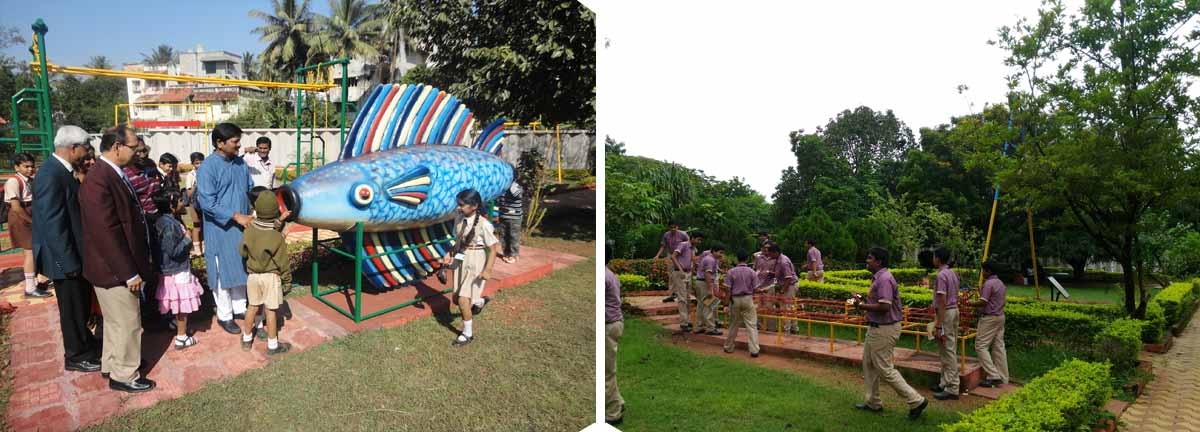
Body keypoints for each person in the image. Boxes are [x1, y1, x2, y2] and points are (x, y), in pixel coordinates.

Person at [80, 125, 155, 393]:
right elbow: (106, 233)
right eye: (133, 146)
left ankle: (113, 363)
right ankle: (125, 374)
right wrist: (128, 273)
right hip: (114, 269)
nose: (137, 151)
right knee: (127, 322)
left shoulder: (110, 173)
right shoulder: (99, 180)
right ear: (116, 147)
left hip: (111, 267)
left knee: (114, 321)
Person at [33, 125, 100, 373]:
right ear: (73, 148)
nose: (87, 153)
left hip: (72, 254)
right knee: (72, 309)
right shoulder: (51, 174)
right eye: (85, 148)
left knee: (80, 305)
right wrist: (68, 262)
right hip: (64, 259)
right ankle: (76, 355)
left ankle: (85, 344)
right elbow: (53, 224)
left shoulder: (62, 171)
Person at [853, 247, 926, 419]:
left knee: (884, 368)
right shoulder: (880, 277)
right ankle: (873, 402)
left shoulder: (884, 279)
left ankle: (916, 400)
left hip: (884, 329)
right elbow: (880, 302)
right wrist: (864, 299)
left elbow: (885, 307)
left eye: (869, 258)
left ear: (878, 261)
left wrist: (861, 306)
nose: (867, 260)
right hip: (877, 327)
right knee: (869, 364)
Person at [196, 123, 255, 335]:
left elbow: (250, 189)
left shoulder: (240, 163)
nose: (239, 145)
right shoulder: (207, 167)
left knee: (240, 266)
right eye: (235, 141)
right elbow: (207, 204)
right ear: (220, 143)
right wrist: (235, 216)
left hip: (242, 227)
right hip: (220, 229)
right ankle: (225, 315)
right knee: (222, 273)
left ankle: (240, 308)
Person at [441, 189, 500, 347]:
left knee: (462, 299)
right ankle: (479, 301)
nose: (458, 207)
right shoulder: (459, 219)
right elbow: (459, 241)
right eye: (458, 204)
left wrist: (488, 269)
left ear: (474, 206)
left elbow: (494, 248)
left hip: (476, 259)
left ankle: (467, 334)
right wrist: (450, 253)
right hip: (461, 257)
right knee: (456, 298)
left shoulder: (484, 225)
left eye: (462, 205)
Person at [239, 192, 293, 355]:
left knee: (252, 307)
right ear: (275, 211)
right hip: (271, 277)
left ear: (257, 209)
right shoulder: (277, 237)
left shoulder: (249, 229)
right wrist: (287, 280)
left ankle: (247, 339)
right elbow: (282, 262)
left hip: (253, 276)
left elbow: (242, 251)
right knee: (270, 311)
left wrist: (281, 220)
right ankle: (272, 345)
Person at [149, 189, 201, 350]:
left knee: (176, 302)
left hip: (171, 270)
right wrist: (187, 239)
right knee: (181, 305)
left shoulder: (165, 220)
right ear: (171, 205)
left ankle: (177, 327)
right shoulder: (169, 225)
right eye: (179, 201)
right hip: (177, 271)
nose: (182, 203)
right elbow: (173, 251)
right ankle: (181, 337)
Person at [6, 152, 48, 298]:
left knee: (35, 249)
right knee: (29, 252)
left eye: (32, 166)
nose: (30, 169)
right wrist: (32, 221)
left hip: (29, 215)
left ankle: (37, 279)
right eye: (26, 166)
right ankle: (30, 287)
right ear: (17, 167)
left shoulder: (30, 180)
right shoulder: (14, 181)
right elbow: (16, 207)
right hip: (21, 217)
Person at [968, 260, 1009, 388]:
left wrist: (969, 303)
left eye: (983, 270)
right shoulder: (1000, 283)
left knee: (980, 346)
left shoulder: (989, 283)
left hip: (990, 318)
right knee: (998, 347)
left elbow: (983, 302)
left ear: (989, 271)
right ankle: (1003, 377)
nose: (982, 273)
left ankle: (993, 375)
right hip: (1000, 317)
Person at [930, 247, 961, 400]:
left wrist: (938, 323)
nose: (932, 259)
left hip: (946, 313)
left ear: (938, 258)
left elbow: (942, 300)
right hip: (954, 310)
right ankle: (944, 382)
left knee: (947, 350)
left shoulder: (942, 275)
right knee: (947, 348)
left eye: (934, 256)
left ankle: (953, 387)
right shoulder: (953, 273)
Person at [723, 252, 763, 357]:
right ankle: (754, 350)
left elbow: (728, 290)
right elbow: (756, 289)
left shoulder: (731, 272)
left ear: (737, 259)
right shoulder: (752, 272)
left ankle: (728, 347)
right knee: (751, 325)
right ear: (747, 259)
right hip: (747, 298)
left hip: (735, 299)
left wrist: (726, 305)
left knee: (733, 324)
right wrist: (763, 290)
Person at [604, 243, 624, 425]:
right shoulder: (609, 274)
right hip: (613, 324)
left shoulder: (604, 276)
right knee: (608, 369)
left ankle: (613, 413)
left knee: (607, 372)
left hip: (609, 326)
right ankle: (618, 401)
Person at [671, 231, 702, 332]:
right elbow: (673, 256)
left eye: (700, 240)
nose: (699, 242)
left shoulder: (693, 249)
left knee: (688, 298)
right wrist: (680, 270)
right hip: (680, 273)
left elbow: (692, 260)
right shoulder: (683, 245)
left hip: (688, 273)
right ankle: (683, 322)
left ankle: (687, 320)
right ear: (692, 238)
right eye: (698, 239)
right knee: (682, 298)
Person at [764, 243, 798, 333]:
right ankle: (794, 328)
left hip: (790, 285)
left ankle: (786, 330)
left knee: (785, 308)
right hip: (787, 284)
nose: (769, 255)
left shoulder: (783, 262)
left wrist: (782, 291)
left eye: (770, 253)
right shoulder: (778, 259)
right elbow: (780, 274)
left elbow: (788, 278)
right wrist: (771, 273)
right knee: (790, 307)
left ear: (776, 252)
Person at [654, 222, 690, 303]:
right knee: (671, 275)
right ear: (669, 228)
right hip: (671, 255)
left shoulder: (683, 234)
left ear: (678, 227)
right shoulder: (666, 235)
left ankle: (685, 294)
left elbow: (690, 245)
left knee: (683, 274)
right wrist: (657, 255)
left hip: (681, 255)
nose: (673, 229)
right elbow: (663, 246)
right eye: (671, 227)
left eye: (675, 227)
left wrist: (691, 256)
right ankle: (672, 294)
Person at [123, 138, 159, 216]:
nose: (143, 155)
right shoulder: (125, 172)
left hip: (159, 213)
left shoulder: (151, 164)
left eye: (144, 151)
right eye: (138, 151)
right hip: (142, 218)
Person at [693, 245, 724, 335]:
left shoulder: (708, 258)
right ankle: (710, 327)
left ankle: (700, 326)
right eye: (720, 252)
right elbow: (708, 274)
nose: (721, 255)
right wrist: (710, 289)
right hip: (705, 283)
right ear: (714, 251)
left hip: (700, 282)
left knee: (700, 305)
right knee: (709, 305)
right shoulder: (710, 260)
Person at [495, 178, 524, 264]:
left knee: (513, 236)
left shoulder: (516, 186)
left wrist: (510, 185)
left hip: (514, 217)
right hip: (503, 215)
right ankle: (507, 253)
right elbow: (497, 200)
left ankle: (514, 254)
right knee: (503, 235)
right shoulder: (502, 187)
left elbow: (518, 194)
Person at [184, 152, 205, 254]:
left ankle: (204, 246)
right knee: (197, 226)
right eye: (197, 163)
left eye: (202, 162)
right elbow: (188, 192)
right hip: (194, 203)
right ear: (192, 164)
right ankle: (197, 249)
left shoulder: (207, 173)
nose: (199, 165)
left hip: (205, 203)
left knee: (205, 225)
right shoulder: (191, 175)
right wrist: (197, 184)